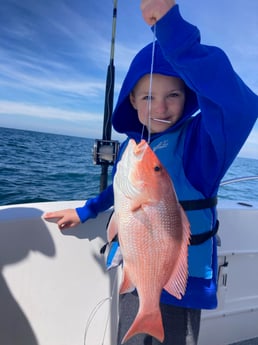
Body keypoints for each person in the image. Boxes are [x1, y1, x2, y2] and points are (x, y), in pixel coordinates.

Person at [44, 0, 258, 344]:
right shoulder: (136, 150)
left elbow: (241, 107)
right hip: (136, 273)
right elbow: (124, 192)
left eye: (173, 94)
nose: (160, 107)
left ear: (188, 96)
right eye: (148, 97)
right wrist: (86, 210)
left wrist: (175, 34)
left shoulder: (200, 146)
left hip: (181, 287)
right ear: (131, 100)